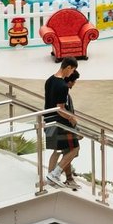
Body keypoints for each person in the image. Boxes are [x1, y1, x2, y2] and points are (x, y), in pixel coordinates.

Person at [43, 58, 80, 187]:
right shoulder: (63, 86)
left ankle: (52, 178)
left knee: (58, 150)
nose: (72, 73)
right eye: (73, 70)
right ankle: (55, 174)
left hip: (48, 120)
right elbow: (60, 108)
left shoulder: (49, 80)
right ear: (68, 68)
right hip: (59, 123)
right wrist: (72, 119)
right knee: (74, 148)